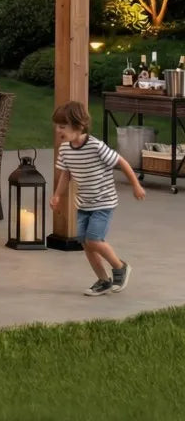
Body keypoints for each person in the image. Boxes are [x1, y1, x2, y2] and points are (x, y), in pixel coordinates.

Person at [51, 100, 145, 296]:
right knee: (86, 243)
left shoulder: (96, 146)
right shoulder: (65, 150)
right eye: (57, 126)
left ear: (78, 126)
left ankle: (120, 267)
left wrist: (136, 185)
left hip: (104, 202)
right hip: (84, 203)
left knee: (93, 240)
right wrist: (57, 195)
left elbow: (122, 162)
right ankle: (103, 281)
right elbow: (66, 175)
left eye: (62, 126)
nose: (58, 130)